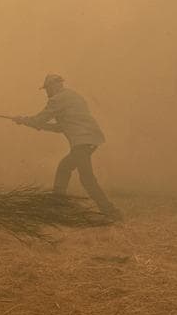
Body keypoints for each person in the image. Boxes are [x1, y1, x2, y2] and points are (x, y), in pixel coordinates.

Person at [13, 74, 122, 220]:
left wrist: (24, 120)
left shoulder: (58, 99)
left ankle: (109, 210)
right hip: (90, 140)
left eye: (47, 89)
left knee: (86, 178)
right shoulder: (73, 96)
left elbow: (40, 119)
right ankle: (58, 205)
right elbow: (60, 127)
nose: (47, 92)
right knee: (65, 167)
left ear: (54, 86)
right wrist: (33, 123)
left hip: (82, 141)